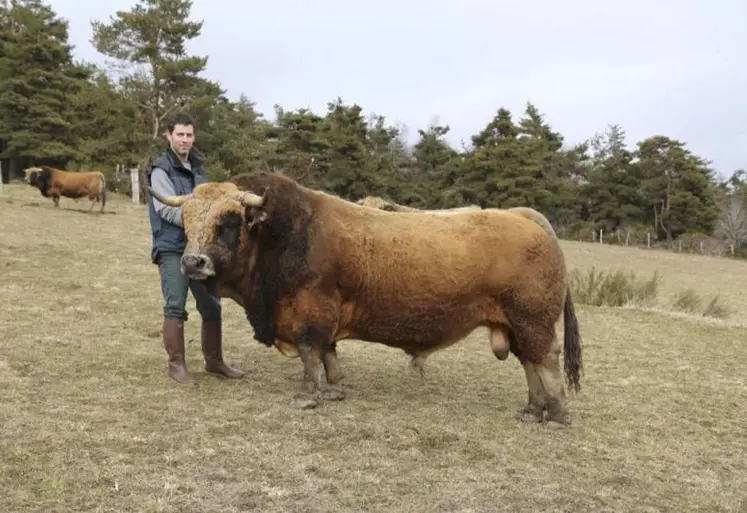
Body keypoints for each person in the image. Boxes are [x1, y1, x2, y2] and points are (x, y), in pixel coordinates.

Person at [146, 112, 245, 384]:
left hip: (200, 248)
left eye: (189, 135)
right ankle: (176, 365)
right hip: (172, 247)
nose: (185, 140)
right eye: (180, 134)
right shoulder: (160, 170)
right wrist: (201, 220)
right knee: (176, 304)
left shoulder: (200, 170)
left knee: (211, 305)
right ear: (168, 135)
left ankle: (215, 361)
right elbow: (165, 208)